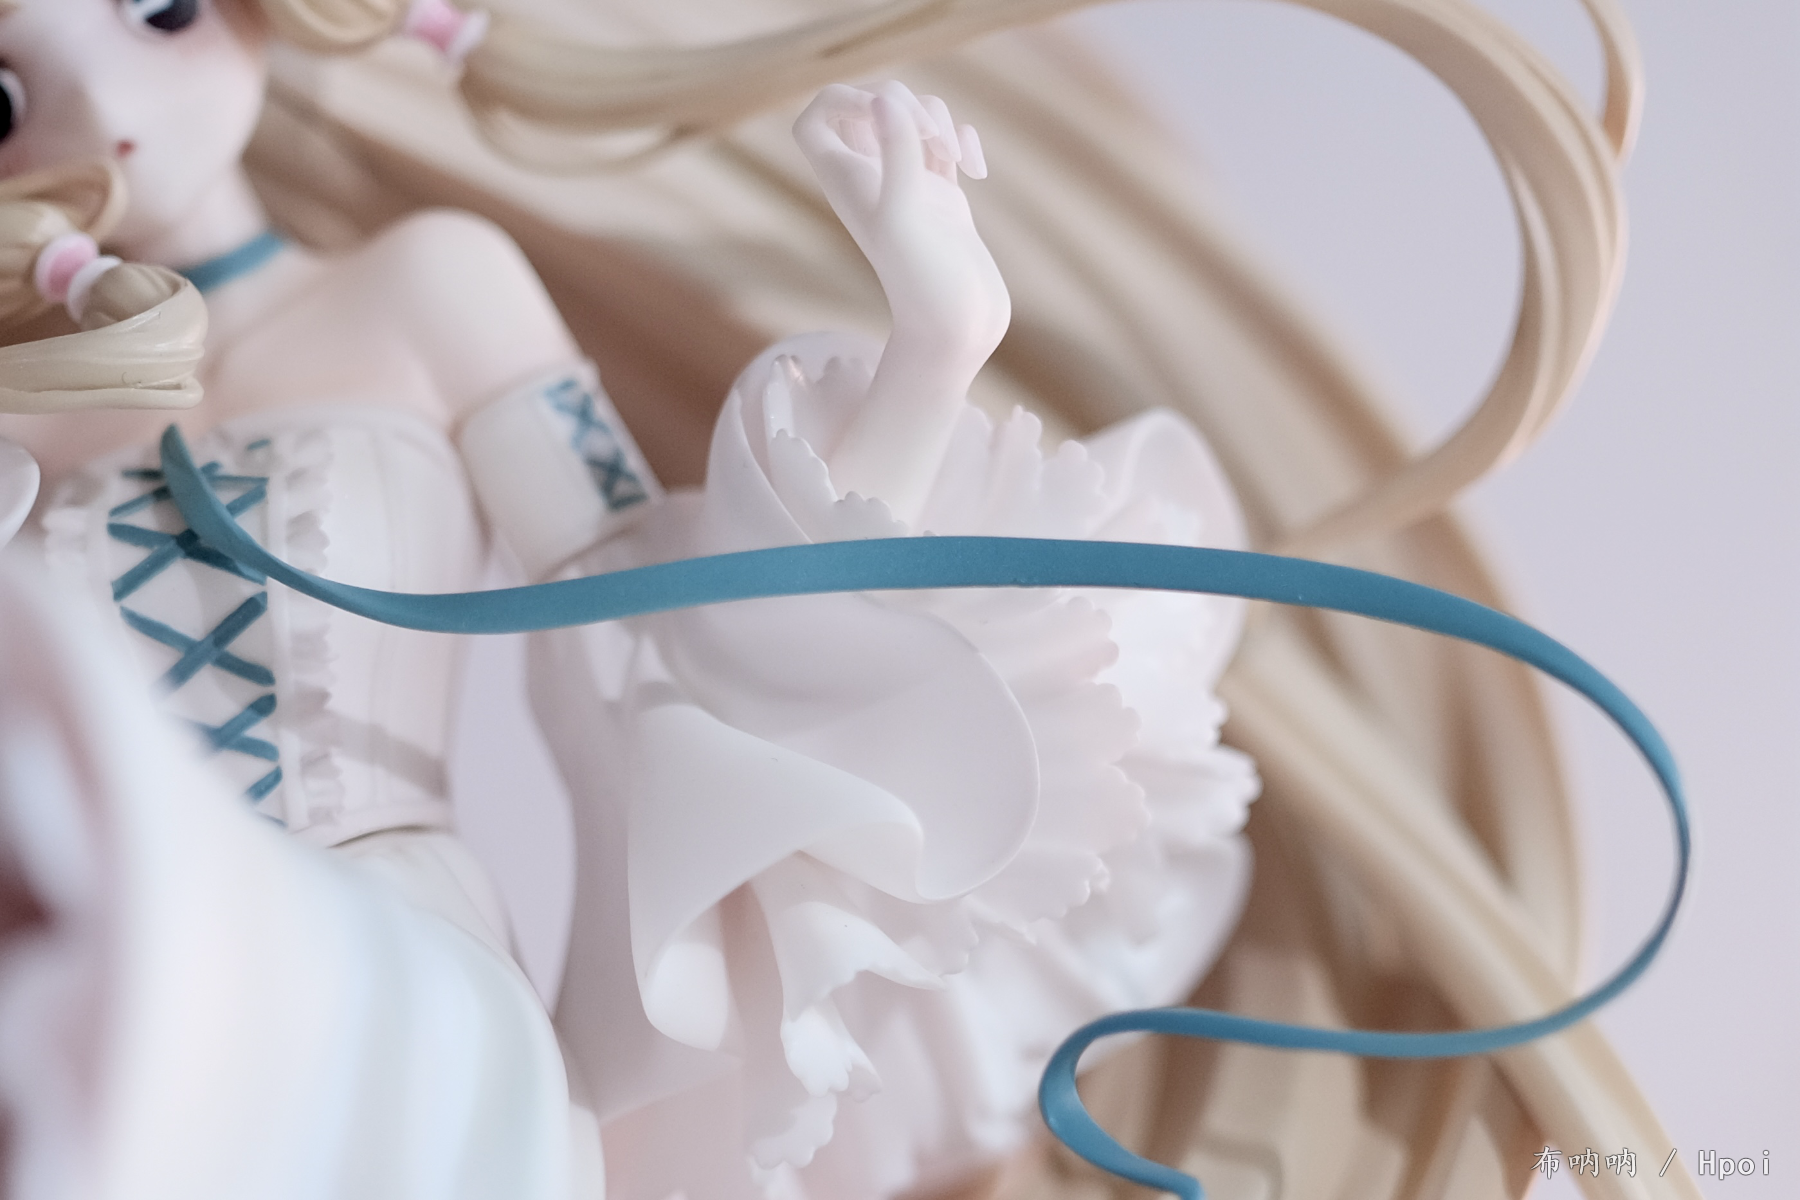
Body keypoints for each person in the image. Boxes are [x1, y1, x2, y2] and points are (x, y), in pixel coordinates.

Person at [0, 0, 1698, 1198]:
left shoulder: (422, 290)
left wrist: (934, 339)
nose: (107, 108)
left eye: (158, 9)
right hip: (88, 982)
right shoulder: (28, 414)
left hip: (400, 977)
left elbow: (671, 612)